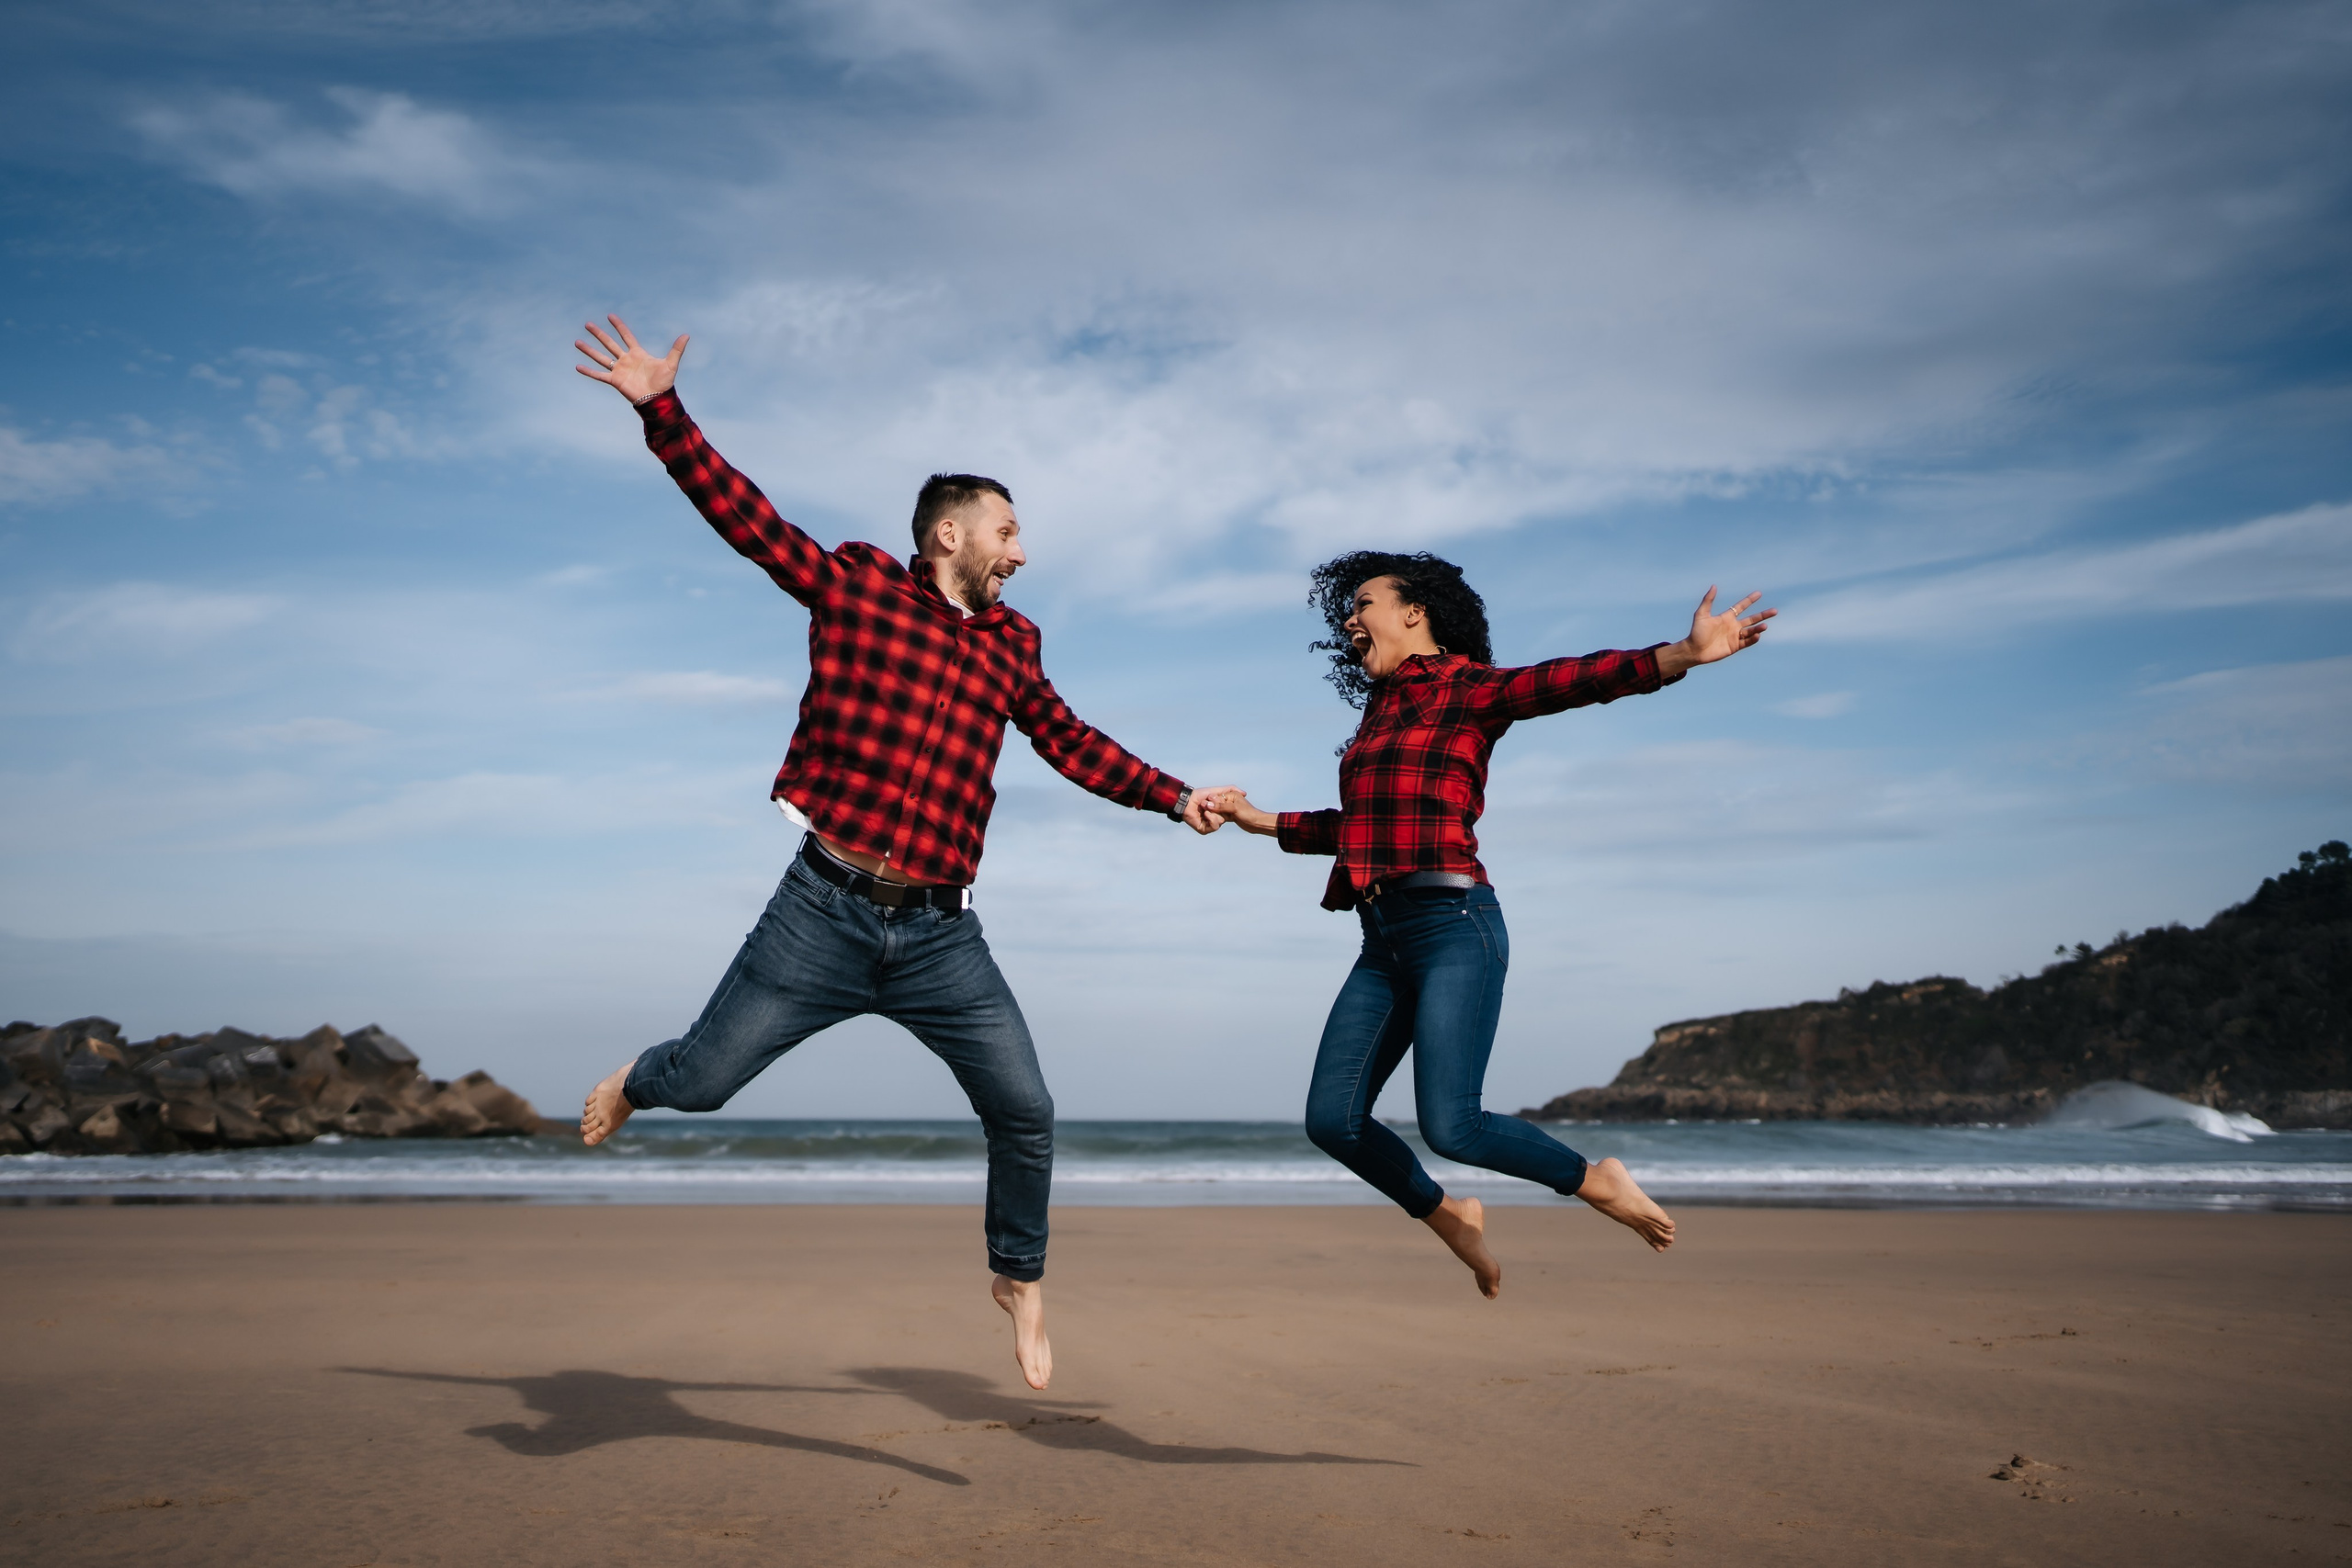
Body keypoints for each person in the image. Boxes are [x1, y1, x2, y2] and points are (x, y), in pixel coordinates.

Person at [571, 316, 1227, 1388]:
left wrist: (1173, 798)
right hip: (820, 912)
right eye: (1007, 530)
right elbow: (749, 522)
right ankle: (641, 1079)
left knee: (1026, 1108)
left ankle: (1018, 1276)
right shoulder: (858, 587)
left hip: (938, 935)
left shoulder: (1016, 644)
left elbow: (1067, 739)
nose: (1021, 552)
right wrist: (661, 410)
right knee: (702, 1081)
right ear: (949, 535)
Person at [1200, 552, 1770, 1297]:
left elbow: (1571, 680)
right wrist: (1259, 819)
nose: (1349, 618)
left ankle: (1595, 1178)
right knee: (1332, 1120)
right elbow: (1363, 825)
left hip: (1454, 923)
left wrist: (1682, 655)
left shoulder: (1468, 688)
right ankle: (1453, 1219)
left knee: (1453, 1125)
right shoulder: (1378, 711)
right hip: (1383, 940)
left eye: (1363, 602)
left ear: (1414, 612)